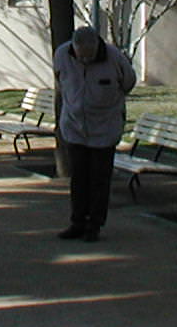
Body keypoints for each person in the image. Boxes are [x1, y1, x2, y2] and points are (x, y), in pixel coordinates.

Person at [51, 25, 136, 243]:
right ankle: (77, 222)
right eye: (81, 56)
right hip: (74, 127)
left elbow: (128, 82)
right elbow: (61, 81)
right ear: (74, 48)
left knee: (99, 179)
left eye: (89, 56)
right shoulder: (62, 55)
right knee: (79, 178)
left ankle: (95, 224)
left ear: (97, 46)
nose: (85, 60)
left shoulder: (114, 58)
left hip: (105, 128)